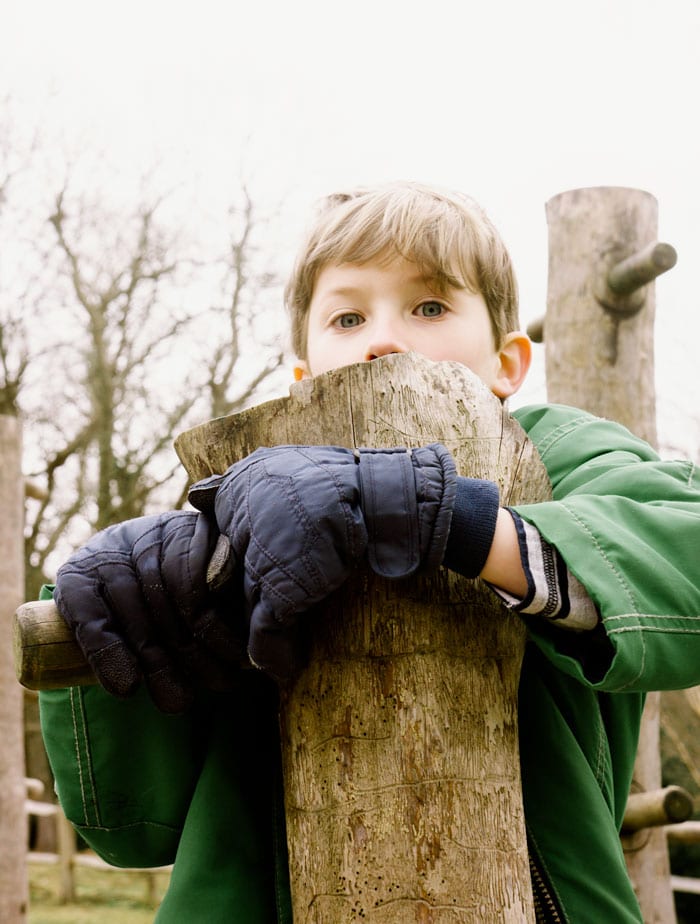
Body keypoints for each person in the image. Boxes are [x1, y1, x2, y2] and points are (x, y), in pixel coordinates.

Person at [39, 182, 700, 923]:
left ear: (507, 365)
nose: (384, 340)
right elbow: (132, 829)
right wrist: (140, 605)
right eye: (348, 316)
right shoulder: (229, 515)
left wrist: (448, 519)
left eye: (429, 307)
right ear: (304, 378)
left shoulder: (561, 457)